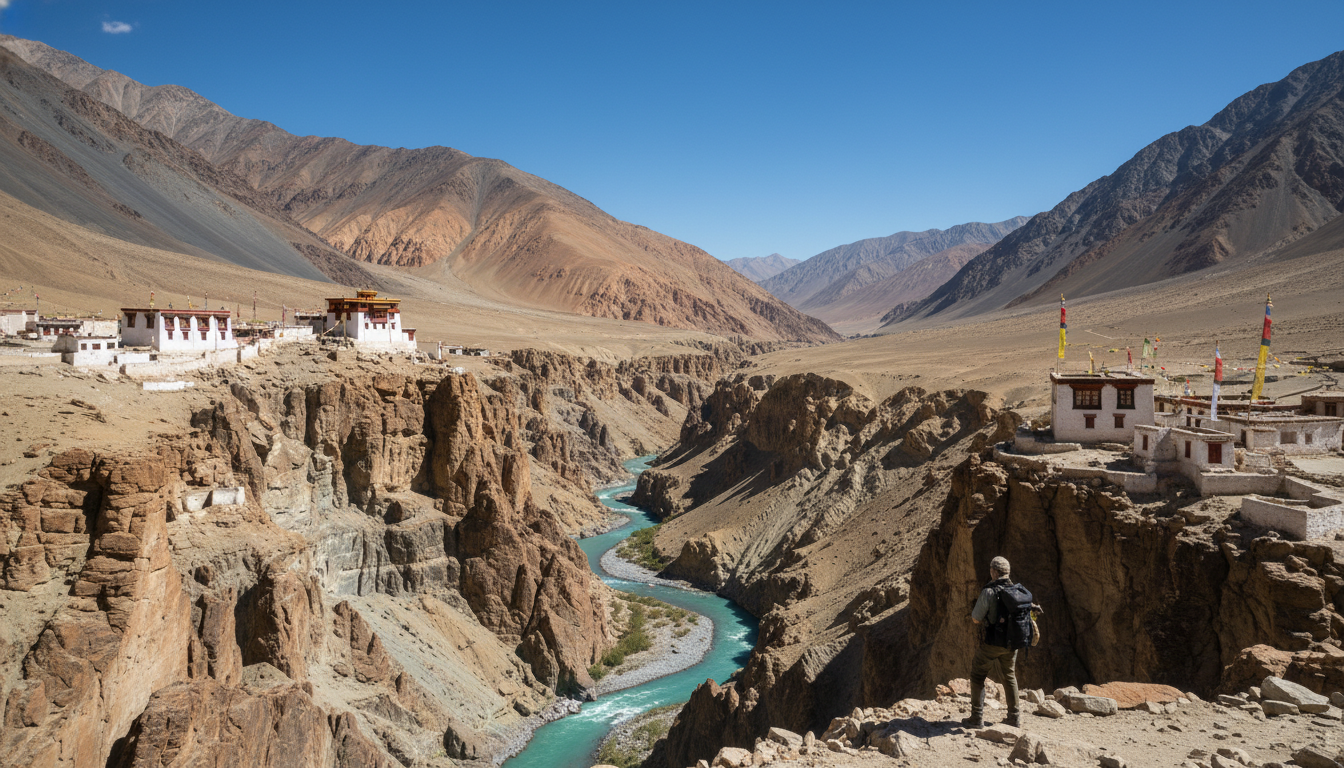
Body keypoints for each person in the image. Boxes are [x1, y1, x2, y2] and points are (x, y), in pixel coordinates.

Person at [962, 556, 1021, 728]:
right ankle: (1014, 717)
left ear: (993, 571)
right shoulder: (1017, 591)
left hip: (994, 642)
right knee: (1009, 675)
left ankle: (976, 717)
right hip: (1013, 643)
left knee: (977, 674)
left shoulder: (989, 591)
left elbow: (976, 618)